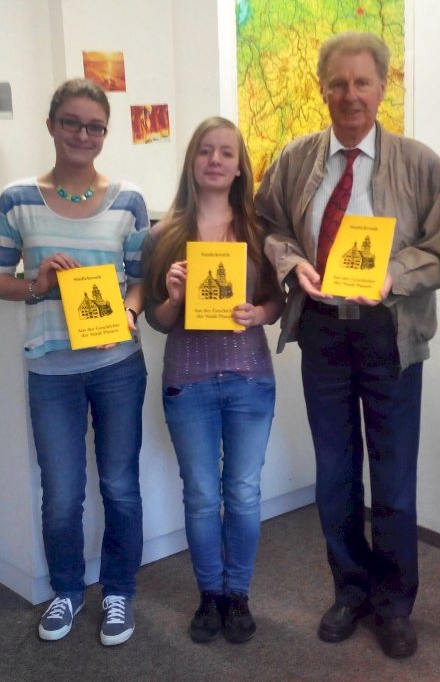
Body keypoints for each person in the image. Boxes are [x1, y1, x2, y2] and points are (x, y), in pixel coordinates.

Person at [254, 31, 440, 659]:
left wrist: (394, 274)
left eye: (362, 82)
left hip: (389, 333)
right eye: (338, 83)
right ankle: (349, 589)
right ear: (322, 88)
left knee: (392, 479)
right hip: (322, 327)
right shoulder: (295, 159)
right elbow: (267, 224)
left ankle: (394, 604)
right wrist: (292, 263)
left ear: (383, 86)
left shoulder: (420, 163)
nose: (350, 95)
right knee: (336, 473)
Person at [0, 78, 149, 646]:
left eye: (95, 126)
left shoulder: (128, 199)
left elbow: (141, 279)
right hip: (51, 370)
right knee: (61, 494)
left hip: (117, 365)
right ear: (51, 125)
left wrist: (128, 313)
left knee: (121, 486)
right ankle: (67, 592)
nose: (83, 135)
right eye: (72, 123)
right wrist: (38, 284)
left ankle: (119, 592)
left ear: (105, 132)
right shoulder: (17, 199)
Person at [141, 117, 283, 644]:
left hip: (249, 380)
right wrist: (175, 298)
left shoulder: (259, 232)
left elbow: (276, 302)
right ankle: (210, 595)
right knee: (201, 495)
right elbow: (157, 320)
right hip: (189, 383)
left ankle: (238, 594)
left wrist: (258, 314)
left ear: (240, 165)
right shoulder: (162, 235)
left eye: (226, 152)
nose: (216, 160)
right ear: (192, 161)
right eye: (205, 151)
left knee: (243, 493)